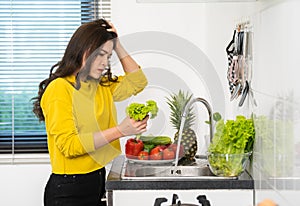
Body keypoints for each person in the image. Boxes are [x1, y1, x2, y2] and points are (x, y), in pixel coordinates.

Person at [32, 19, 149, 206]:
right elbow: (70, 146)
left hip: (97, 181)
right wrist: (120, 131)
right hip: (68, 191)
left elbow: (138, 81)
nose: (105, 63)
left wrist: (117, 45)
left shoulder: (100, 85)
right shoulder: (60, 88)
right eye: (100, 55)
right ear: (83, 50)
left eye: (108, 57)